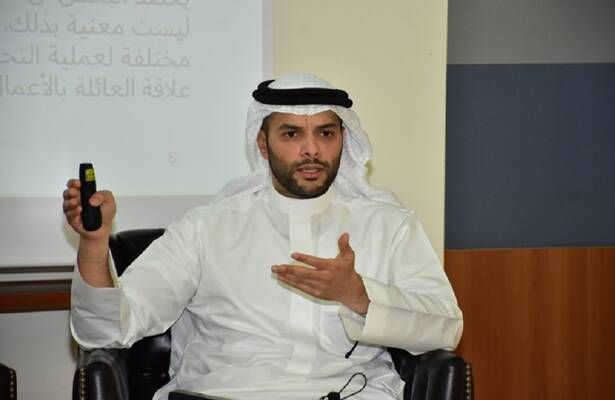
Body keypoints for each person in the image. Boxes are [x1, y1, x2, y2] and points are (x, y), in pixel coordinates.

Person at [63, 72, 463, 400]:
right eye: (291, 134)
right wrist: (94, 244)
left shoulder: (389, 225)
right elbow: (108, 328)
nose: (311, 150)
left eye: (326, 133)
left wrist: (359, 295)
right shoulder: (206, 228)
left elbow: (446, 327)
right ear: (262, 143)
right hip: (224, 395)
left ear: (344, 139)